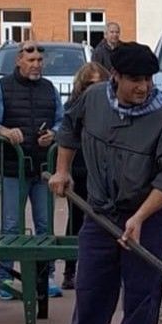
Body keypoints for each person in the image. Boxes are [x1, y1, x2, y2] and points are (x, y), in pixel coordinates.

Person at [42, 42, 162, 324]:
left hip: (146, 217)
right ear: (116, 77)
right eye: (135, 80)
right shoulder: (93, 100)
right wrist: (62, 171)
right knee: (91, 291)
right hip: (99, 214)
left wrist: (139, 217)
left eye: (149, 79)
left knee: (142, 297)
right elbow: (68, 129)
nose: (144, 87)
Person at [0, 40, 64, 299]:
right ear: (19, 61)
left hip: (43, 169)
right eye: (31, 60)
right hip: (13, 169)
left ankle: (45, 276)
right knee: (11, 225)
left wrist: (54, 134)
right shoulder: (1, 87)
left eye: (39, 60)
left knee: (45, 226)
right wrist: (4, 131)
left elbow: (62, 122)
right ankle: (5, 277)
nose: (36, 65)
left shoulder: (49, 89)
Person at [60, 62, 111, 290]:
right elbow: (66, 136)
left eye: (99, 83)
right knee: (76, 221)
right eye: (90, 84)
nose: (94, 88)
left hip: (103, 173)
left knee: (107, 221)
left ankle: (105, 271)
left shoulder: (111, 106)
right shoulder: (74, 107)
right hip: (81, 171)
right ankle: (70, 270)